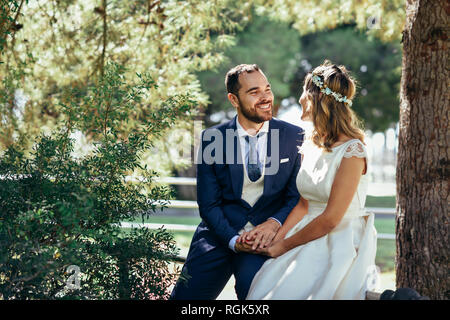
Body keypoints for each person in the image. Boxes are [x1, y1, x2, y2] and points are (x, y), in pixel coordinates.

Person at [170, 64, 305, 300]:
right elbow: (208, 204)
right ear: (234, 99)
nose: (265, 98)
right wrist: (232, 240)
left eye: (267, 89)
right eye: (254, 92)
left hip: (265, 241)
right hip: (218, 237)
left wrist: (274, 223)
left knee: (255, 295)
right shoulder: (213, 139)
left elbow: (295, 196)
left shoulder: (294, 136)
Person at [245, 60, 378, 300]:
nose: (299, 99)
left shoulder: (353, 151)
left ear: (317, 98)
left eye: (304, 93)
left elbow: (331, 218)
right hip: (304, 230)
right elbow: (303, 204)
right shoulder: (311, 144)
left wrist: (284, 246)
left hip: (338, 239)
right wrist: (277, 239)